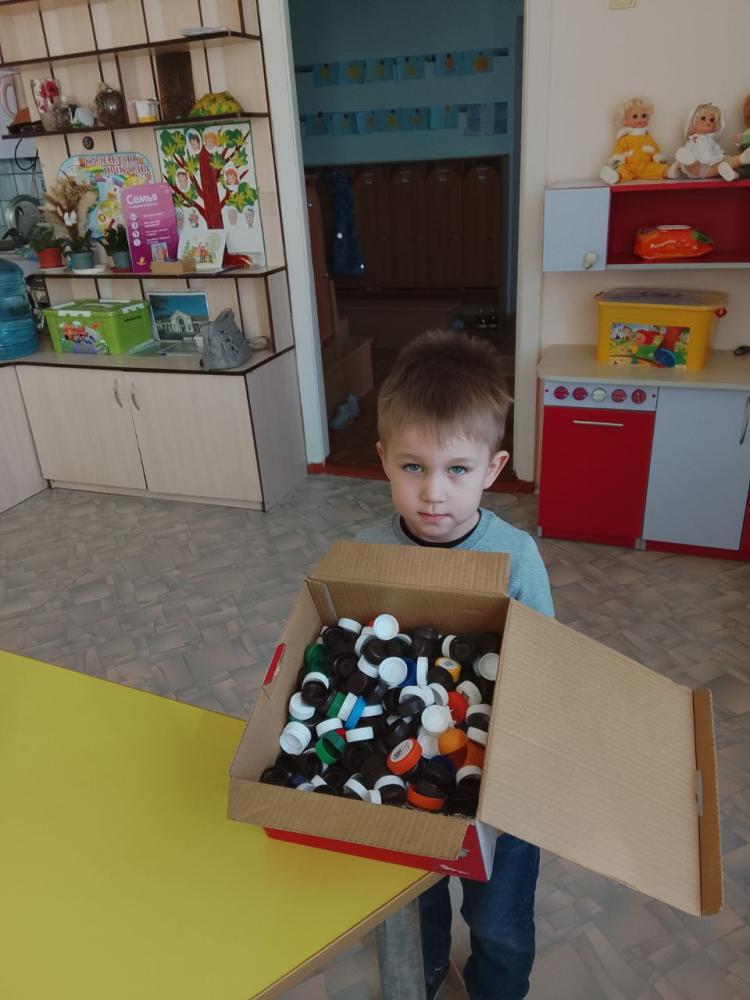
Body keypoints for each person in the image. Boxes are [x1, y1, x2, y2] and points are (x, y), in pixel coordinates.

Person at [357, 329, 554, 1000]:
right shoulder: (366, 553)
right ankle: (426, 970)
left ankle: (497, 987)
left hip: (502, 783)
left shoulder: (516, 558)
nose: (433, 494)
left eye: (457, 470)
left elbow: (544, 664)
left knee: (500, 917)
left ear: (493, 469)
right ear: (383, 460)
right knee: (411, 899)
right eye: (413, 467)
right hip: (407, 769)